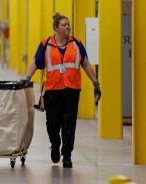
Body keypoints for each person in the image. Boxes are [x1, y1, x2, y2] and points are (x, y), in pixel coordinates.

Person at [22, 13, 102, 169]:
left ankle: (67, 155)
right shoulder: (46, 44)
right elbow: (36, 62)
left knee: (69, 123)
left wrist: (95, 82)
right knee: (52, 123)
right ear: (56, 28)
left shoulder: (77, 44)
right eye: (64, 25)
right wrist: (26, 77)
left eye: (69, 25)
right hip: (53, 90)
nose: (68, 27)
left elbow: (85, 64)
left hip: (72, 90)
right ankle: (55, 143)